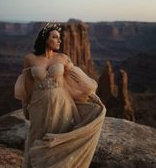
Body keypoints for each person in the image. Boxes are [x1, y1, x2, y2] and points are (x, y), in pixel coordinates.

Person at [14, 22, 106, 168]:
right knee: (35, 137)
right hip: (39, 104)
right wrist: (26, 105)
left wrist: (94, 98)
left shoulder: (63, 58)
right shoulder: (30, 58)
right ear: (45, 39)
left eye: (59, 37)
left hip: (62, 104)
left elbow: (79, 80)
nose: (59, 40)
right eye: (55, 37)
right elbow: (27, 85)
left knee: (57, 138)